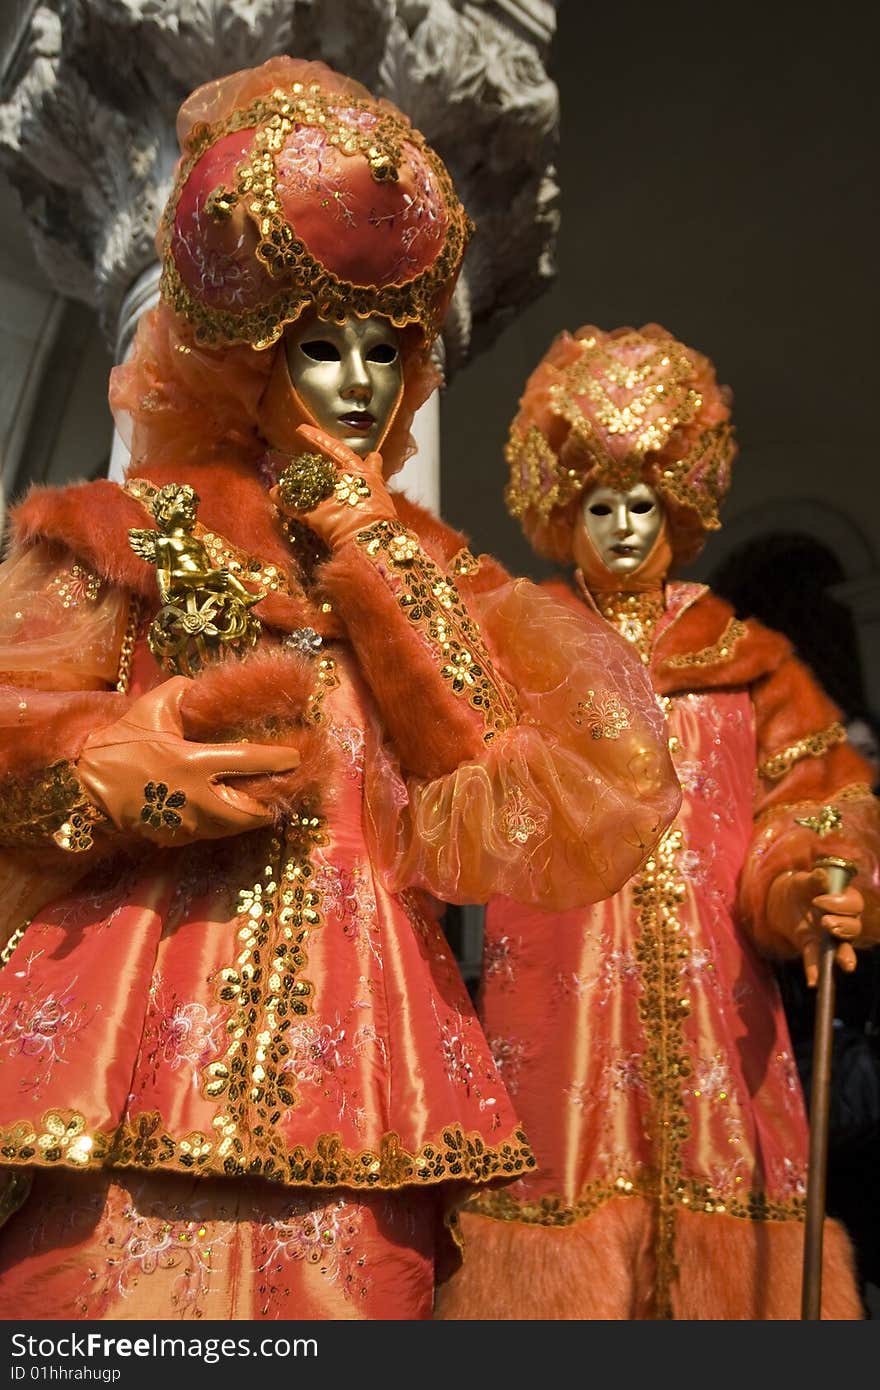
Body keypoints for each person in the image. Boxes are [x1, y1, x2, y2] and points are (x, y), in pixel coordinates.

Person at [0, 67, 679, 1321]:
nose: (361, 381)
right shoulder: (115, 534)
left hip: (367, 1064)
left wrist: (377, 561)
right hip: (119, 1045)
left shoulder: (448, 581)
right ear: (248, 359)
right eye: (323, 346)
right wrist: (95, 773)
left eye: (385, 348)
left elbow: (505, 788)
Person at [435, 322, 880, 1320]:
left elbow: (812, 801)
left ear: (677, 506)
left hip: (724, 1022)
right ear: (563, 511)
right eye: (600, 504)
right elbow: (456, 801)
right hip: (559, 1016)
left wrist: (810, 882)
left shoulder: (748, 659)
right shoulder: (517, 652)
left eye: (642, 502)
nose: (625, 526)